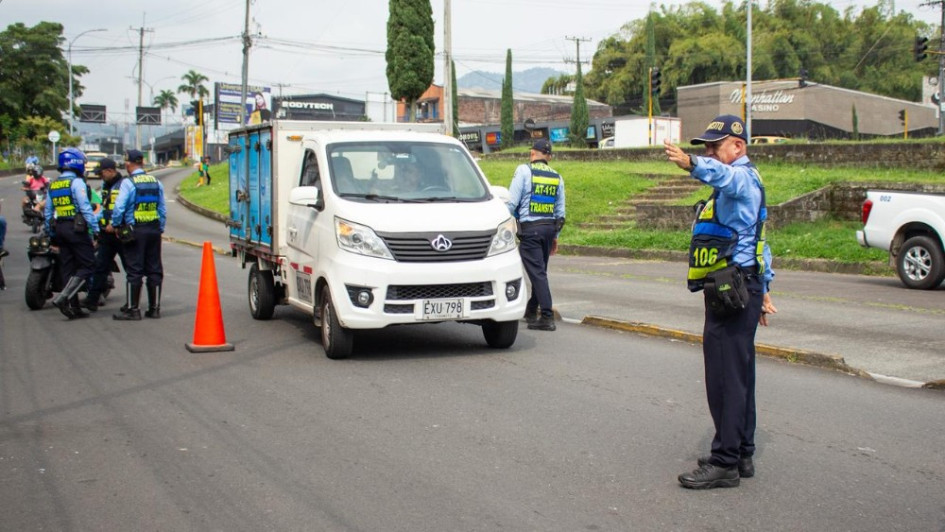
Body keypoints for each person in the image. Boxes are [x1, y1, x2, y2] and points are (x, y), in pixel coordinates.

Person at [664, 114, 778, 489]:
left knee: (725, 377)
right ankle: (742, 451)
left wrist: (691, 163)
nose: (710, 153)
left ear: (738, 146)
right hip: (740, 286)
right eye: (705, 149)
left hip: (733, 289)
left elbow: (724, 176)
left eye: (715, 147)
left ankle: (725, 461)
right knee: (739, 372)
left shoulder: (740, 177)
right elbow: (758, 237)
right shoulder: (742, 184)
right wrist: (764, 288)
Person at [506, 138, 566, 332]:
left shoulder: (523, 171)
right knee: (539, 273)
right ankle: (531, 310)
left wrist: (503, 226)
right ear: (548, 156)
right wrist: (555, 235)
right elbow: (560, 213)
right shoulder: (557, 176)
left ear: (532, 153)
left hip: (531, 230)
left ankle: (546, 316)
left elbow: (511, 203)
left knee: (538, 274)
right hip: (549, 230)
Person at [109, 149, 166, 320]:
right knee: (154, 268)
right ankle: (154, 309)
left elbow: (119, 207)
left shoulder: (128, 183)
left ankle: (133, 310)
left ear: (128, 163)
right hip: (154, 229)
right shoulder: (156, 182)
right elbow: (162, 209)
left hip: (135, 231)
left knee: (135, 270)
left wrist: (117, 225)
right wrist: (160, 228)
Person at [44, 147, 100, 319]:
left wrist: (50, 231)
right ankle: (64, 297)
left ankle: (74, 308)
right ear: (77, 164)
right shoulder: (76, 183)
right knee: (88, 265)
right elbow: (85, 208)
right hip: (76, 229)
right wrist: (96, 229)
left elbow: (48, 212)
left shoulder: (54, 185)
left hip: (59, 229)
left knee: (68, 267)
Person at [82, 157, 127, 311]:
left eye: (101, 173)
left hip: (120, 232)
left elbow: (123, 208)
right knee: (100, 266)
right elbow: (104, 208)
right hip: (106, 235)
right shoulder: (106, 185)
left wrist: (115, 225)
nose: (100, 176)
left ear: (110, 171)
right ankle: (92, 300)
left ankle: (132, 303)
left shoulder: (123, 185)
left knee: (130, 269)